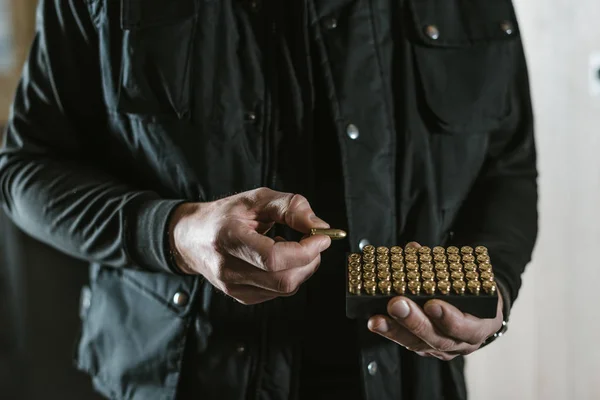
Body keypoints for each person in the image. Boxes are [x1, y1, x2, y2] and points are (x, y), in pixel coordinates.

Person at [0, 1, 538, 399]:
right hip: (180, 380)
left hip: (409, 383)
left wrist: (493, 294)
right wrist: (174, 232)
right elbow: (27, 168)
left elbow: (508, 166)